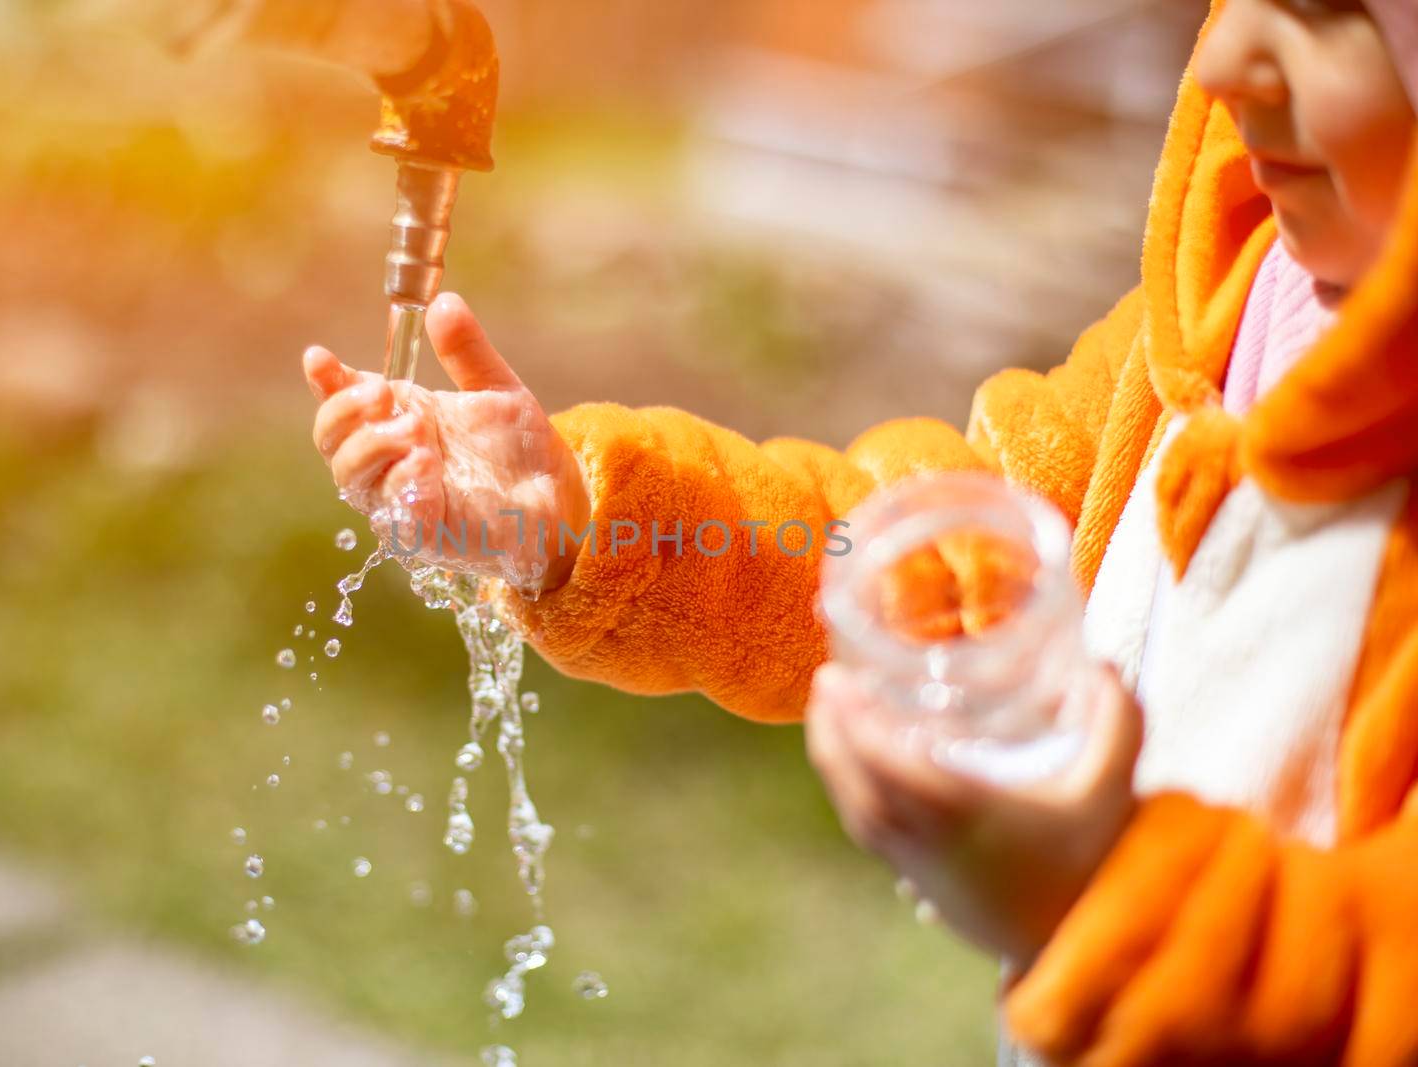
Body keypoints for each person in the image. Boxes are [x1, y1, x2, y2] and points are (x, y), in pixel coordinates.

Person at [305, 0, 1418, 1061]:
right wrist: (592, 522)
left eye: (1330, 15)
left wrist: (1108, 895)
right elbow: (897, 553)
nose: (1225, 65)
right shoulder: (1209, 328)